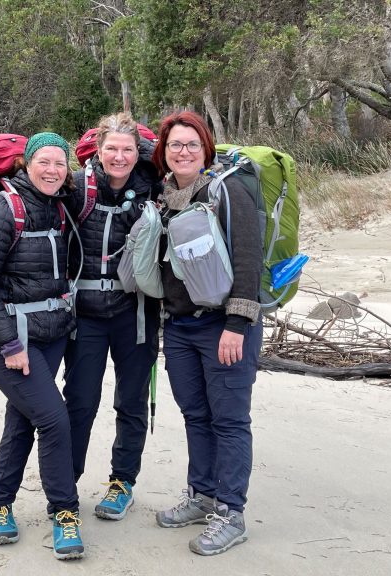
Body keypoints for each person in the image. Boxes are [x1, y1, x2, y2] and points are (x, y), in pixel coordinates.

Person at [0, 132, 84, 561]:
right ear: (27, 163)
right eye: (45, 162)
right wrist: (10, 344)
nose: (53, 170)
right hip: (11, 340)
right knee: (54, 420)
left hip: (52, 335)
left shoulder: (59, 205)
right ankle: (64, 513)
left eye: (60, 163)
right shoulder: (3, 210)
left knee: (24, 419)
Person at [150, 111, 263, 556]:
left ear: (206, 150)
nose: (183, 152)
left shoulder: (227, 190)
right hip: (179, 328)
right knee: (196, 415)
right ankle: (201, 495)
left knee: (230, 420)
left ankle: (231, 513)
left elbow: (248, 259)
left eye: (192, 144)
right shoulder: (162, 199)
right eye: (175, 145)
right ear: (164, 152)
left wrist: (237, 324)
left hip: (223, 326)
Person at [62, 113, 161, 521]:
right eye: (112, 149)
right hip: (83, 315)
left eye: (128, 149)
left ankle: (122, 482)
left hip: (135, 313)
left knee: (131, 402)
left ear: (138, 152)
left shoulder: (154, 188)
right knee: (80, 401)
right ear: (98, 152)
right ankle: (65, 481)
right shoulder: (76, 188)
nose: (120, 157)